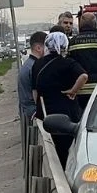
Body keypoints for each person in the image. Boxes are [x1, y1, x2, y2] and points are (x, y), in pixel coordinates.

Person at [31, 32, 88, 166]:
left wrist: (38, 105)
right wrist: (73, 90)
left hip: (46, 112)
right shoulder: (68, 63)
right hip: (67, 113)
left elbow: (34, 91)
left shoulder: (38, 64)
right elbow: (84, 76)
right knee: (68, 150)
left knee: (51, 150)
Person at [67, 12, 97, 111]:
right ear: (95, 24)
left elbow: (69, 66)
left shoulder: (72, 42)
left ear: (80, 25)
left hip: (79, 91)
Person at [17, 31, 46, 121]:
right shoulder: (35, 67)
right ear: (38, 48)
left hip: (28, 110)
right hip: (34, 112)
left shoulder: (28, 64)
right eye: (47, 46)